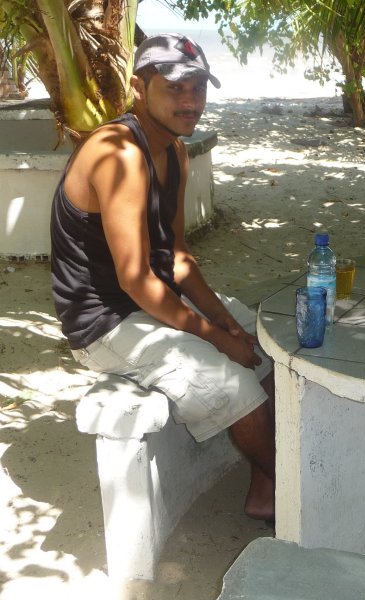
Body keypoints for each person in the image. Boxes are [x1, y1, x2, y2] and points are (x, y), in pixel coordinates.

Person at [50, 33, 276, 522]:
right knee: (234, 385)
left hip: (153, 304)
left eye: (198, 87)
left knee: (268, 346)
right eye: (175, 87)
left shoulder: (172, 151)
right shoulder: (118, 153)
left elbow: (177, 258)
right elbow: (134, 279)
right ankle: (292, 489)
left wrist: (226, 324)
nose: (190, 100)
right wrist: (214, 337)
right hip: (105, 324)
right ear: (138, 86)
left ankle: (265, 485)